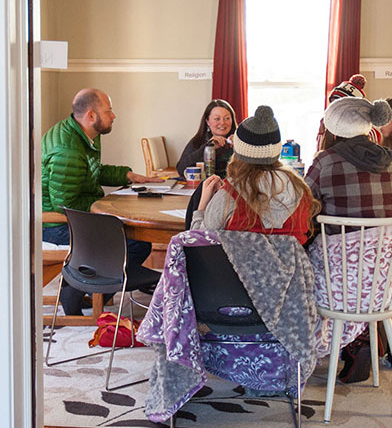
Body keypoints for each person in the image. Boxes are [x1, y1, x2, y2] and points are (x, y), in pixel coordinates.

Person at [306, 96, 392, 383]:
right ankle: (359, 337)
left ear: (333, 128)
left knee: (297, 255)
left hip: (341, 277)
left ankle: (315, 344)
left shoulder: (325, 161)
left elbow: (303, 209)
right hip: (385, 278)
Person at [42, 88, 161, 315]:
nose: (114, 115)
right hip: (56, 225)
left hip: (71, 219)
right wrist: (106, 210)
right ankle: (78, 290)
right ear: (91, 116)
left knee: (138, 240)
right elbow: (64, 205)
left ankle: (89, 290)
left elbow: (92, 173)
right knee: (135, 242)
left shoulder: (83, 136)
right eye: (109, 111)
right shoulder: (67, 149)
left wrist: (128, 176)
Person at [190, 105, 320, 245]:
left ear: (239, 151)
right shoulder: (301, 189)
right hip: (292, 266)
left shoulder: (228, 195)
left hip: (238, 267)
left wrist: (202, 205)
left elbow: (197, 242)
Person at [306, 96, 392, 225]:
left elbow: (303, 203)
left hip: (340, 243)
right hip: (389, 243)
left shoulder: (326, 161)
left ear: (332, 128)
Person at [315, 74, 382, 154]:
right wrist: (321, 133)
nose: (333, 110)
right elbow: (319, 156)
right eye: (332, 105)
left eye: (339, 106)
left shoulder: (370, 132)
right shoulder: (327, 125)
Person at [176, 99, 237, 178]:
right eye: (217, 119)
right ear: (207, 121)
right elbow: (181, 169)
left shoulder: (240, 141)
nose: (222, 122)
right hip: (204, 187)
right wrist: (207, 148)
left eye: (227, 118)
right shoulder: (199, 140)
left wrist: (239, 149)